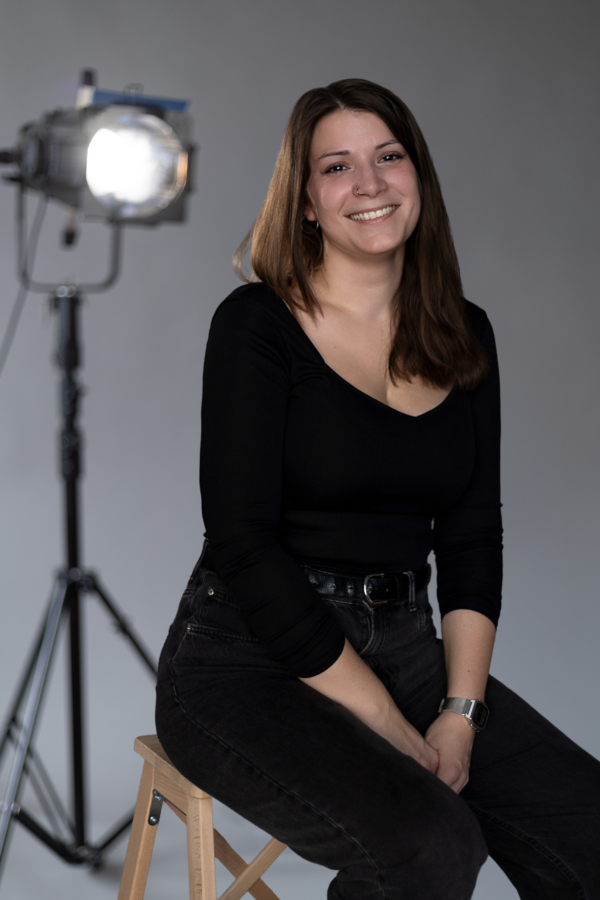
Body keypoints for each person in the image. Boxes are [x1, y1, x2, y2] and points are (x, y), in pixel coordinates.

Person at [155, 79, 600, 900]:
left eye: (388, 157)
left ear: (417, 177)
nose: (368, 183)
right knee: (431, 845)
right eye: (336, 167)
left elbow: (472, 537)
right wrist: (393, 726)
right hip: (246, 661)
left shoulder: (464, 333)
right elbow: (244, 546)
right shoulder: (257, 325)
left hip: (407, 648)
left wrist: (458, 716)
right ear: (306, 203)